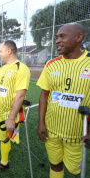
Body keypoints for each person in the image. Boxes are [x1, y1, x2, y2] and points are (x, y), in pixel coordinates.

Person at [37, 23, 90, 177]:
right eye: (56, 37)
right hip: (52, 130)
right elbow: (44, 94)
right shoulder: (51, 65)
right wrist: (41, 123)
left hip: (78, 132)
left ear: (79, 37)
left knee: (74, 170)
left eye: (62, 36)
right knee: (55, 163)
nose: (57, 41)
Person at [0, 40, 30, 170]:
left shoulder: (21, 68)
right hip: (1, 110)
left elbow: (20, 95)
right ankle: (4, 162)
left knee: (7, 137)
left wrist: (12, 118)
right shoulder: (3, 68)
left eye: (0, 51)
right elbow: (0, 90)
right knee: (3, 138)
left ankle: (4, 163)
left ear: (9, 51)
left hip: (10, 113)